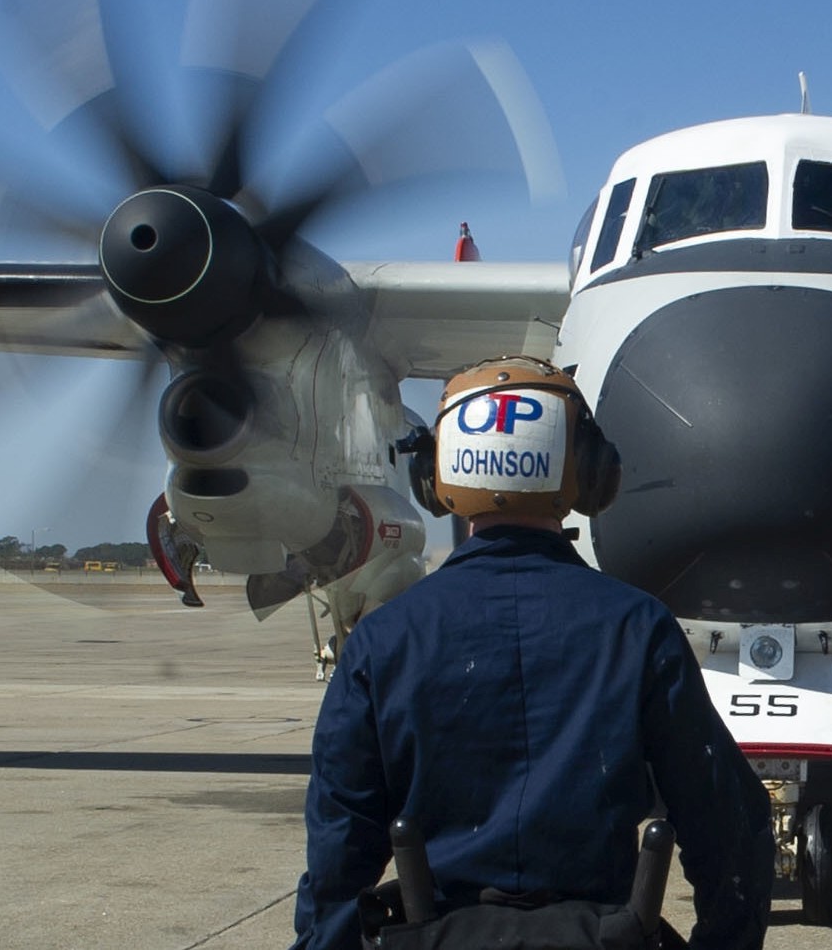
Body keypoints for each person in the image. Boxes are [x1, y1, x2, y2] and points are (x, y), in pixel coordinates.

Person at [291, 356, 774, 950]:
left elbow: (339, 850)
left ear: (434, 476)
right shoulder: (638, 628)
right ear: (591, 473)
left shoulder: (382, 640)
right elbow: (727, 824)